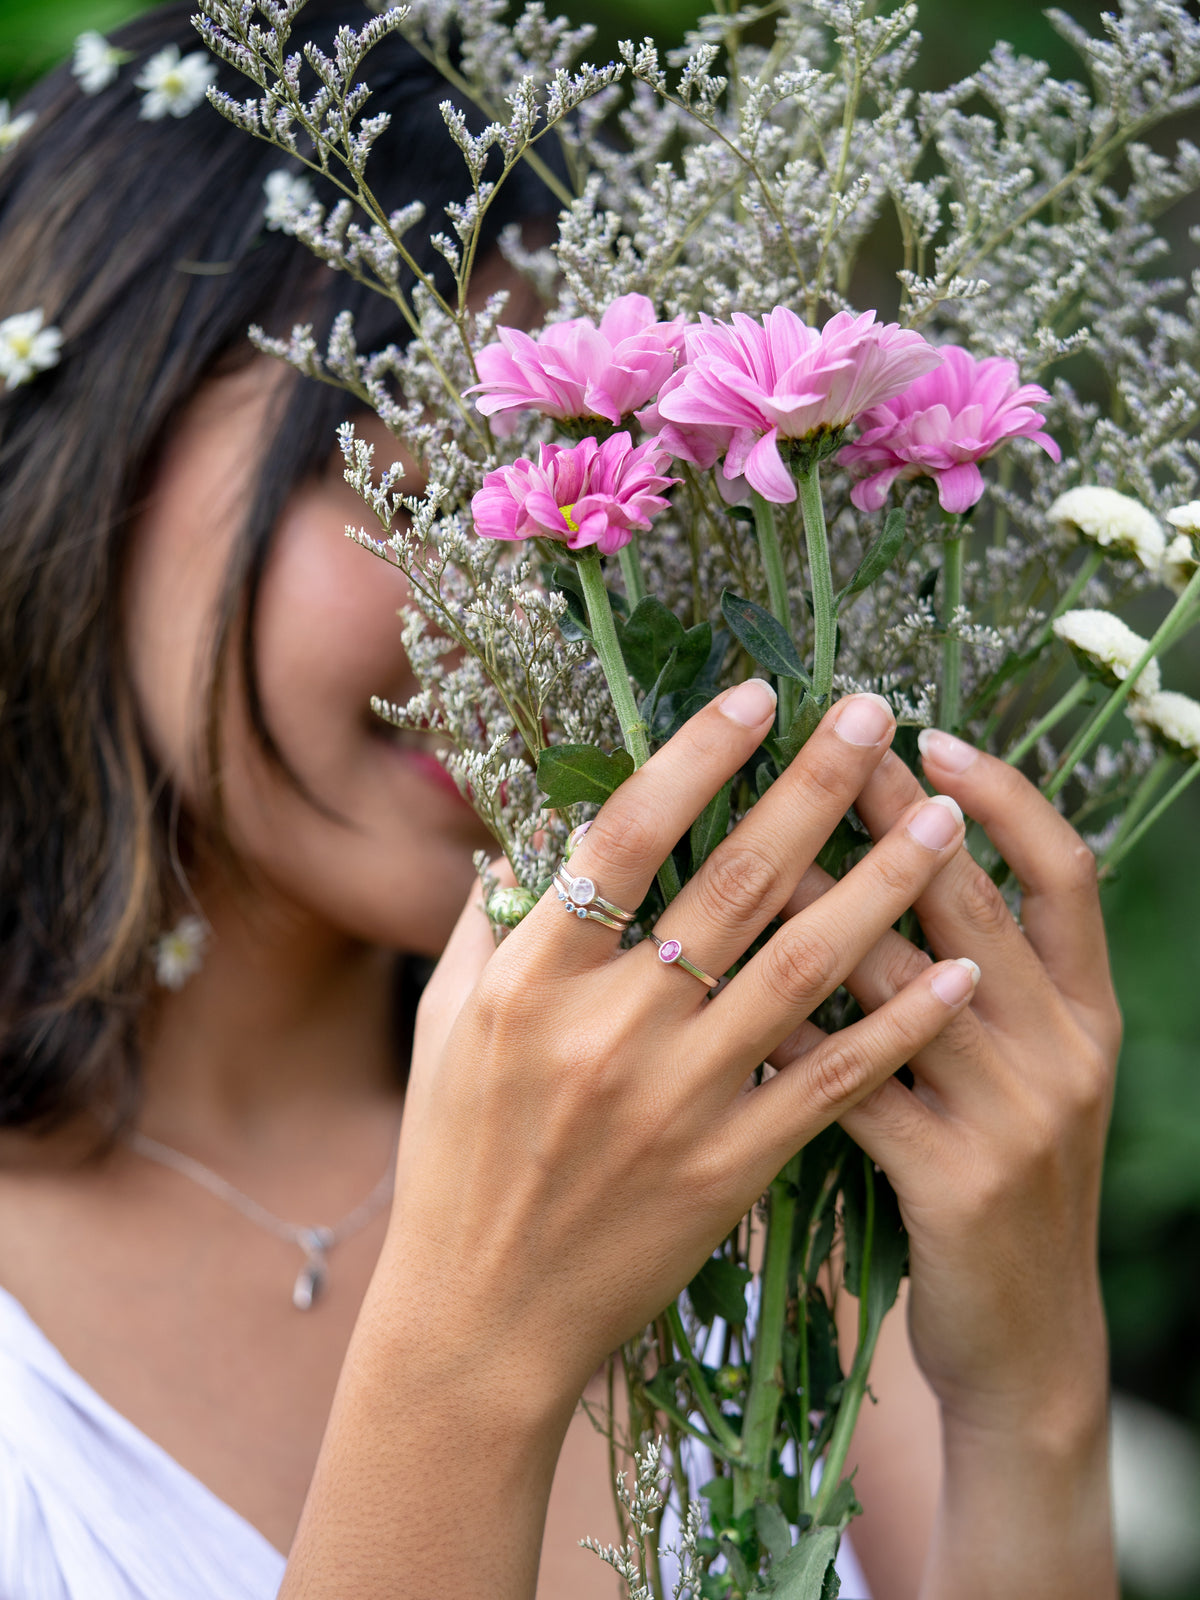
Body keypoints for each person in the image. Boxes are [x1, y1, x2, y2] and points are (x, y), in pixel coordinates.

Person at [0, 4, 1121, 1597]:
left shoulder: (753, 1175)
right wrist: (473, 1355)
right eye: (376, 461)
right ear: (85, 441)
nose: (522, 586)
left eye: (584, 471)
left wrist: (1036, 1404)